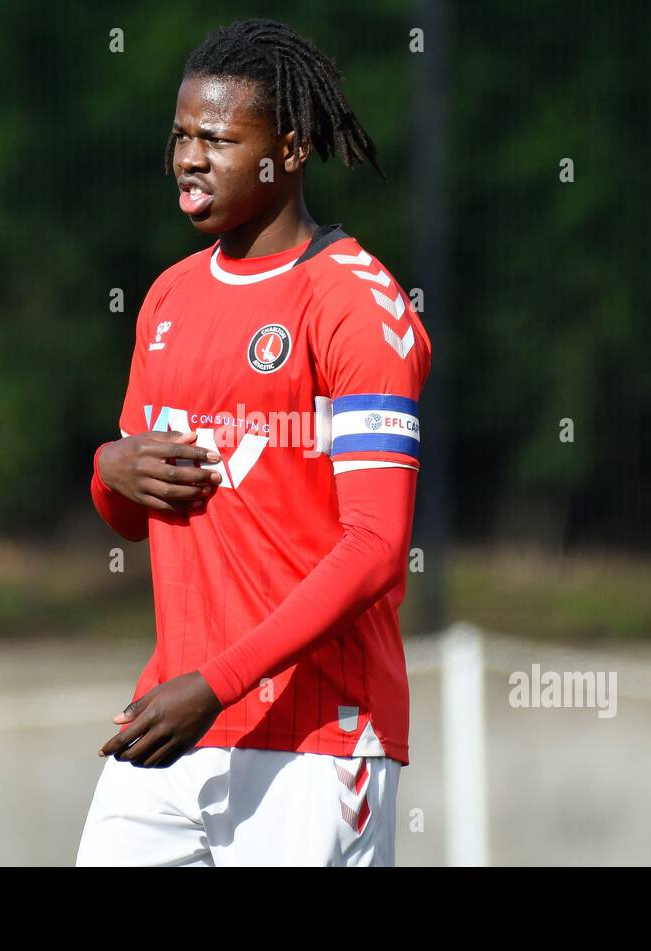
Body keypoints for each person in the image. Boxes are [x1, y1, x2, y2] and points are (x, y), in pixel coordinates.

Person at [77, 18, 431, 867]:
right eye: (181, 136)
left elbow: (379, 548)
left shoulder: (356, 305)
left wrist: (217, 685)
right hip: (170, 723)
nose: (190, 157)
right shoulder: (166, 299)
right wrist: (108, 468)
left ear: (292, 148)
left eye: (220, 139)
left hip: (315, 741)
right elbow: (133, 518)